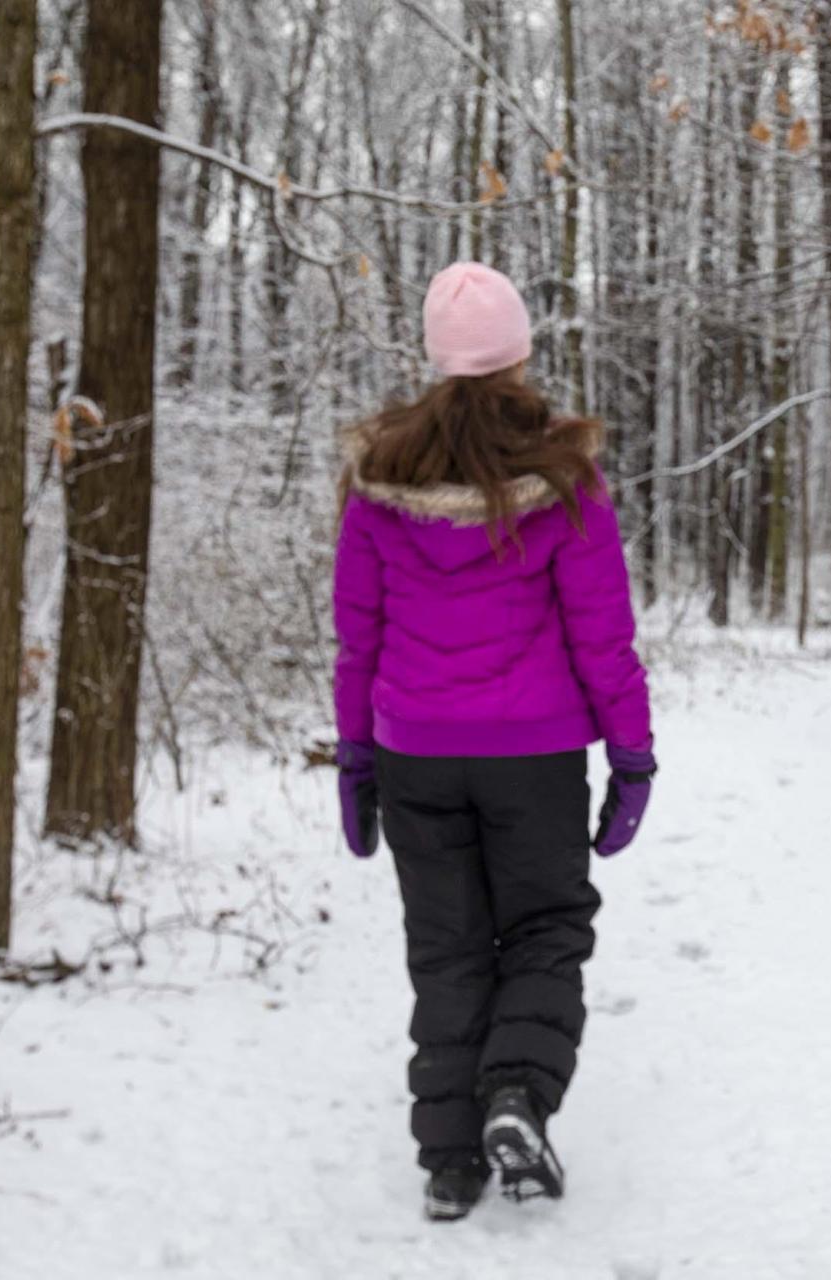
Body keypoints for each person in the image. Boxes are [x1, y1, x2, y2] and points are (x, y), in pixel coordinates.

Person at [332, 262, 655, 1222]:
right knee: (547, 926)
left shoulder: (380, 478)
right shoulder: (562, 476)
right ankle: (515, 1092)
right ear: (517, 356)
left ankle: (449, 1161)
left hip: (415, 750)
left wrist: (356, 756)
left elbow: (360, 638)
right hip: (535, 755)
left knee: (447, 945)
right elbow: (603, 637)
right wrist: (632, 755)